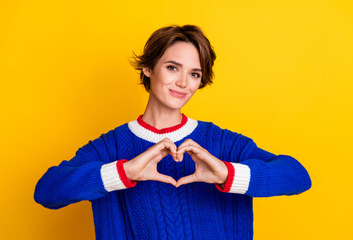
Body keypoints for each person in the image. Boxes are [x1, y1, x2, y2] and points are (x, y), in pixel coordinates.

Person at [34, 24, 312, 240]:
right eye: (172, 68)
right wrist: (124, 173)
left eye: (194, 74)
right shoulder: (110, 147)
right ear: (148, 69)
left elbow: (297, 176)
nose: (183, 82)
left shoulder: (222, 142)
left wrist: (227, 174)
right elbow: (46, 191)